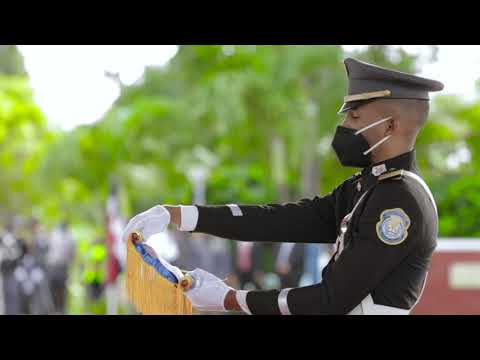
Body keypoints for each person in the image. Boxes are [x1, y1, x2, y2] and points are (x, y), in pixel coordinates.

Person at [124, 58, 443, 315]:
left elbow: (332, 301)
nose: (344, 127)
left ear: (391, 125)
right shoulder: (367, 187)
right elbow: (280, 220)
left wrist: (232, 300)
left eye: (355, 117)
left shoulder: (399, 202)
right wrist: (181, 215)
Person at [46, 221, 76, 314]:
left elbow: (72, 253)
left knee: (61, 289)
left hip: (62, 266)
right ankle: (54, 309)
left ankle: (61, 310)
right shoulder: (53, 234)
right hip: (53, 266)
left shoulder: (69, 236)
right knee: (53, 289)